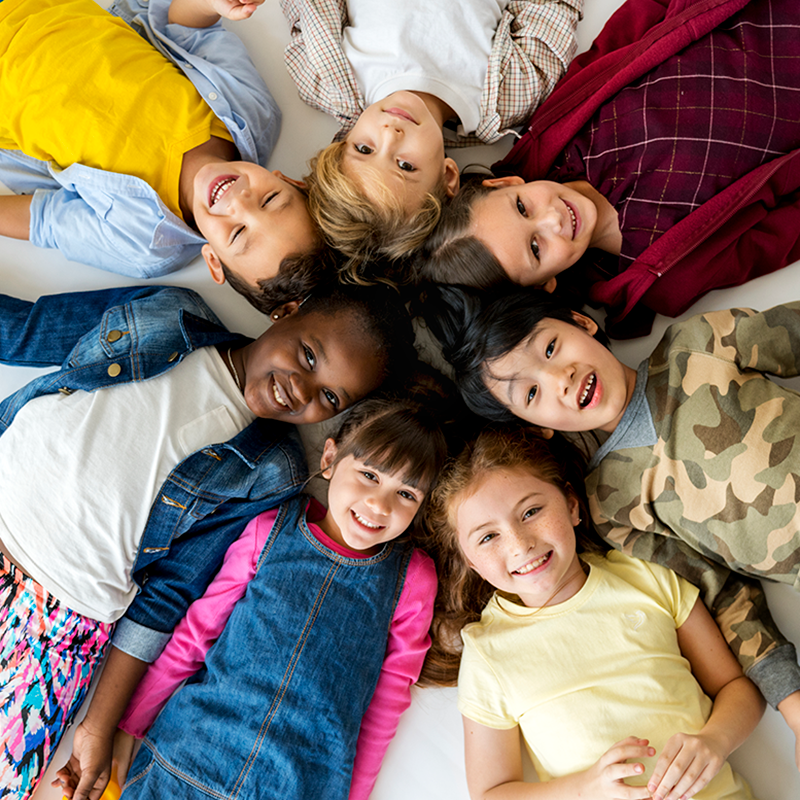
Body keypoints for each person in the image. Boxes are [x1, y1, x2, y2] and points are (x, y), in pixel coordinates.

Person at [0, 280, 417, 800]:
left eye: (329, 396)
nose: (303, 389)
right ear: (287, 310)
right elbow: (28, 332)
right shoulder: (170, 311)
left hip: (59, 623)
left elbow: (170, 593)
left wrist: (99, 725)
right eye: (309, 354)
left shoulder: (273, 468)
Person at [421, 283, 800, 766]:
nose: (560, 377)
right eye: (532, 392)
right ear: (536, 426)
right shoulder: (611, 503)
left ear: (582, 322)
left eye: (551, 347)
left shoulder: (697, 343)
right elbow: (723, 594)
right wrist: (792, 705)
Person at [63, 394, 447, 800]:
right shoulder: (269, 529)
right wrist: (128, 728)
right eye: (369, 475)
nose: (379, 504)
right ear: (330, 458)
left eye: (406, 494)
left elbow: (387, 700)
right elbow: (195, 635)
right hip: (187, 759)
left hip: (299, 784)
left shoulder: (412, 578)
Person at [417, 0, 800, 337]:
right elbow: (780, 236)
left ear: (506, 182)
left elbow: (628, 31)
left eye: (522, 207)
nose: (552, 220)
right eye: (536, 248)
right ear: (543, 286)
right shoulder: (666, 277)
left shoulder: (561, 133)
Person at [427, 425, 764, 799]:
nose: (520, 544)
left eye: (531, 511)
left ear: (571, 505)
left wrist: (715, 741)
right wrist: (584, 789)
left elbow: (738, 689)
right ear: (471, 562)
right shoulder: (488, 651)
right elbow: (491, 793)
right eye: (488, 537)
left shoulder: (647, 578)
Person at [0, 0, 324, 312]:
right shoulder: (254, 113)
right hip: (48, 9)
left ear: (213, 259)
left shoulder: (144, 245)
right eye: (269, 199)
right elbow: (185, 27)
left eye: (238, 233)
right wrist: (210, 4)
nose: (238, 202)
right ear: (288, 180)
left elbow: (43, 220)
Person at [280, 0, 583, 278]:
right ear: (448, 175)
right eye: (405, 165)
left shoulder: (328, 80)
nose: (390, 134)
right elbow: (552, 10)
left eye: (364, 148)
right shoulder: (508, 98)